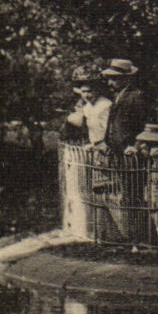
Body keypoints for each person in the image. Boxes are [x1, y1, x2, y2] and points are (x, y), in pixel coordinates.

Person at [102, 59, 152, 244]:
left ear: (126, 79)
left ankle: (140, 238)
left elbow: (145, 124)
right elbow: (113, 125)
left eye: (114, 79)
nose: (110, 83)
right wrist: (108, 142)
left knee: (133, 196)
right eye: (109, 79)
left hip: (131, 155)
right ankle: (139, 236)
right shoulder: (119, 97)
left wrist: (136, 145)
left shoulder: (136, 96)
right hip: (118, 154)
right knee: (128, 195)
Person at [61, 67, 112, 240]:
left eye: (89, 91)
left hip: (105, 149)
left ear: (97, 90)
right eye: (83, 92)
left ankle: (113, 233)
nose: (86, 95)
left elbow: (108, 130)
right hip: (95, 149)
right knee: (97, 191)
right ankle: (101, 233)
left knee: (108, 191)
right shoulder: (89, 106)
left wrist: (100, 144)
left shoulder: (105, 105)